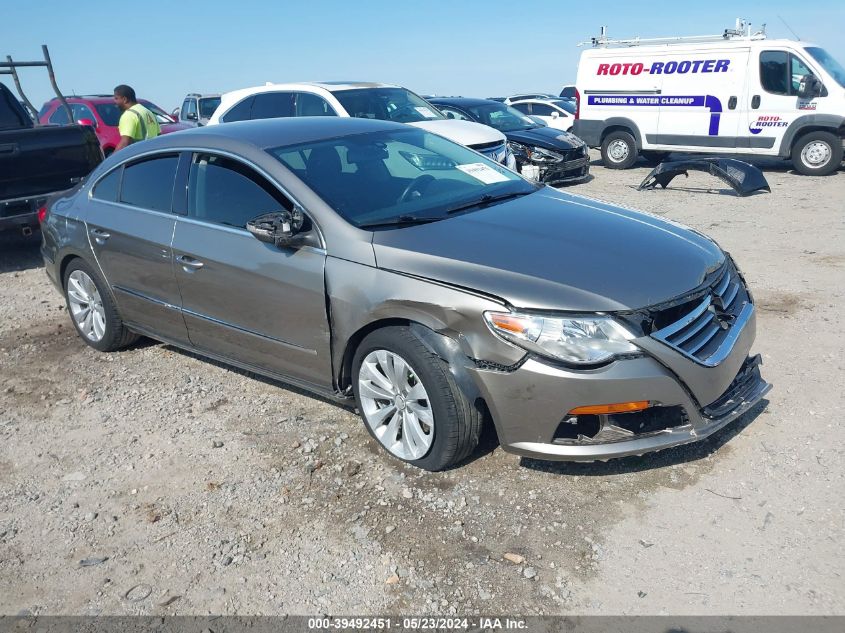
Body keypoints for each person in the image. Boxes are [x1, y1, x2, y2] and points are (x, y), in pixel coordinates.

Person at [113, 84, 160, 152]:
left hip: (138, 156)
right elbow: (159, 135)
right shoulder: (148, 112)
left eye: (116, 98)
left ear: (125, 99)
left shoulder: (129, 115)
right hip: (152, 155)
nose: (114, 101)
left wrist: (112, 160)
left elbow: (124, 143)